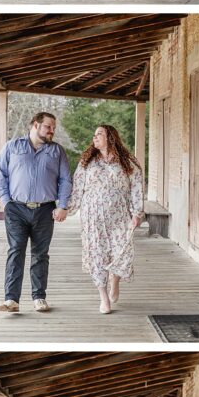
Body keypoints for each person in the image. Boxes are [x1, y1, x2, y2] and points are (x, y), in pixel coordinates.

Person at [0, 111, 72, 313]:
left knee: (40, 254)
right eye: (48, 126)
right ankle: (11, 299)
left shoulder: (57, 151)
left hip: (45, 210)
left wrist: (62, 205)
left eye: (53, 127)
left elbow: (65, 179)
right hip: (16, 209)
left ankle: (39, 297)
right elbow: (0, 174)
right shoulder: (12, 147)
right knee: (16, 250)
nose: (52, 130)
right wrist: (5, 201)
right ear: (35, 125)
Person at [67, 125, 143, 314]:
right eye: (94, 135)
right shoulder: (87, 161)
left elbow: (136, 186)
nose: (95, 137)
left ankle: (115, 281)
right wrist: (67, 209)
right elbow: (77, 187)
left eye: (99, 134)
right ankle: (103, 298)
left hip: (119, 215)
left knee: (121, 250)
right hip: (92, 216)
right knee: (97, 254)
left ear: (110, 137)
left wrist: (137, 213)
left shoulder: (128, 161)